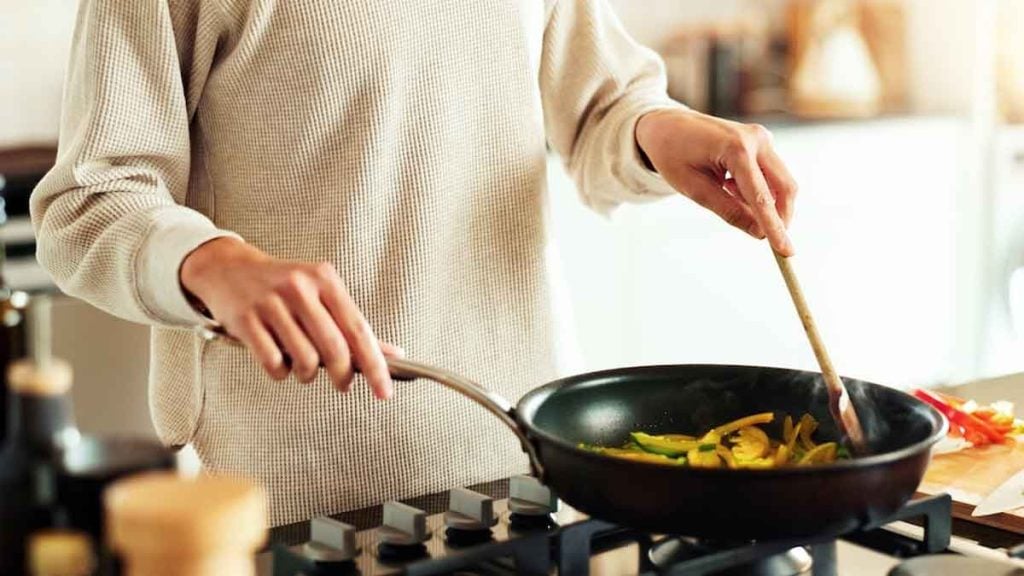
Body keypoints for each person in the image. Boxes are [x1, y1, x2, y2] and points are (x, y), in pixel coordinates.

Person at [32, 0, 797, 526]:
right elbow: (91, 199)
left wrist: (655, 131)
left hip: (516, 460)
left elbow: (602, 104)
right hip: (286, 492)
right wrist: (212, 261)